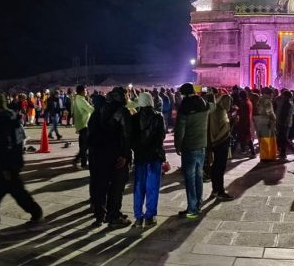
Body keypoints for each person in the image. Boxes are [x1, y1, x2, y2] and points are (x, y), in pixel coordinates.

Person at [0, 93, 43, 230]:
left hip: (3, 166)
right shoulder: (12, 118)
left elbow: (6, 144)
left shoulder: (2, 121)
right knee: (18, 192)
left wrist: (6, 167)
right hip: (12, 164)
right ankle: (36, 212)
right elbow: (18, 142)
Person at [88, 87, 133, 227]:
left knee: (101, 184)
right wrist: (125, 155)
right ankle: (114, 215)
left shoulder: (100, 110)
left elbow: (91, 132)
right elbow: (126, 135)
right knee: (116, 187)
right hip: (116, 155)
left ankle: (100, 214)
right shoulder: (123, 112)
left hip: (100, 154)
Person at [131, 91, 167, 227]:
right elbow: (161, 136)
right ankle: (150, 216)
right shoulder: (158, 116)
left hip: (140, 157)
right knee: (152, 187)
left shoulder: (134, 118)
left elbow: (131, 138)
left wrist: (138, 148)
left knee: (139, 187)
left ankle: (138, 217)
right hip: (154, 156)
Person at [174, 83, 209, 219]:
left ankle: (192, 208)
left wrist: (178, 145)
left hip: (189, 146)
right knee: (199, 176)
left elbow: (180, 129)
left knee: (190, 178)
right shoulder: (203, 103)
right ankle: (198, 204)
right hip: (202, 144)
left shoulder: (185, 106)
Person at [207, 92, 233, 200]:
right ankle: (220, 191)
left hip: (213, 142)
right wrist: (232, 122)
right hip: (221, 142)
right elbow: (224, 128)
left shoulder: (213, 111)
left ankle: (215, 190)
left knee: (215, 167)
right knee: (220, 167)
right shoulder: (222, 112)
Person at [72, 84, 93, 169]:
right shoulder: (81, 100)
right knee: (85, 144)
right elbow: (90, 109)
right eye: (85, 90)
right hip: (84, 124)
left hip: (81, 124)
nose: (86, 91)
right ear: (81, 91)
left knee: (84, 144)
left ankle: (79, 159)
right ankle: (82, 161)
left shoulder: (78, 98)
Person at [254, 87, 277, 162]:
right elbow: (269, 111)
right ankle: (266, 157)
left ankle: (265, 156)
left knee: (264, 138)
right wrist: (274, 118)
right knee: (267, 139)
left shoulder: (260, 99)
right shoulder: (267, 100)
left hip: (261, 120)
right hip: (267, 120)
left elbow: (258, 109)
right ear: (269, 93)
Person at [235, 90, 255, 158]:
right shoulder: (249, 102)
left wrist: (237, 111)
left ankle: (249, 151)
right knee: (246, 138)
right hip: (247, 122)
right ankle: (250, 151)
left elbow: (242, 114)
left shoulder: (244, 103)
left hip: (243, 123)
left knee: (245, 138)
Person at [275, 90, 294, 161]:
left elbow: (284, 114)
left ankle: (287, 150)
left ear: (285, 96)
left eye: (283, 95)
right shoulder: (289, 102)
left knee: (283, 138)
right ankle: (283, 152)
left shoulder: (287, 103)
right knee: (282, 138)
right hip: (286, 123)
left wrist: (281, 122)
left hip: (284, 123)